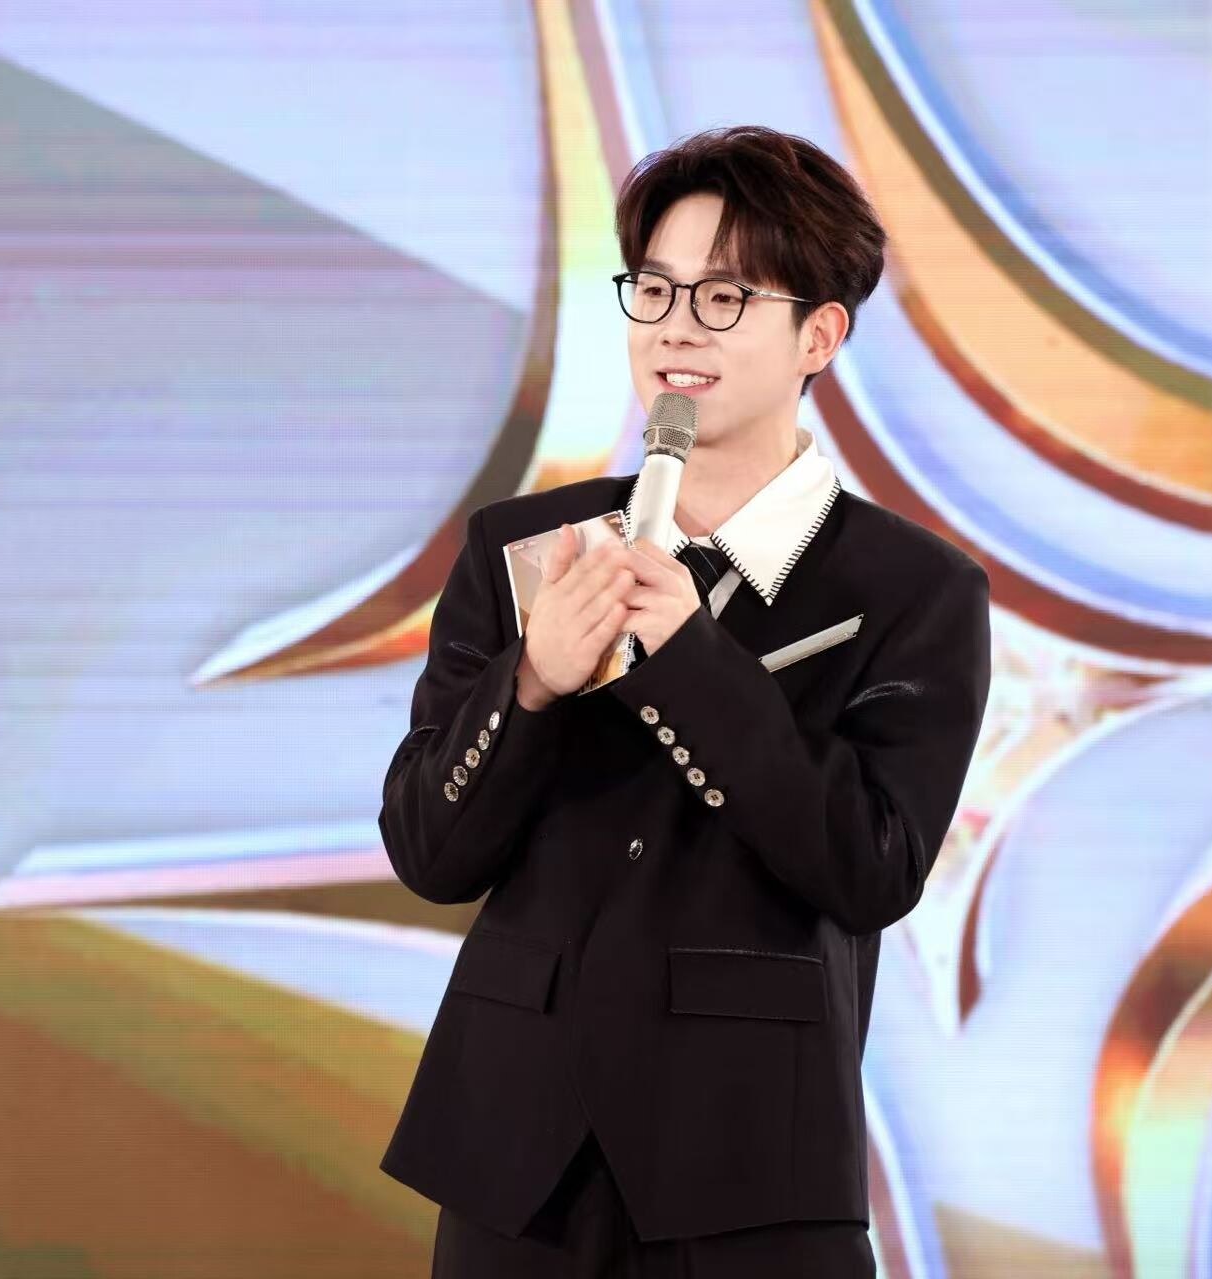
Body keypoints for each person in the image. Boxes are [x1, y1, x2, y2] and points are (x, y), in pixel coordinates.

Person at [377, 124, 992, 1277]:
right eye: (653, 289)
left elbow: (870, 868)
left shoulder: (911, 589)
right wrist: (531, 681)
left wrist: (693, 662)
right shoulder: (525, 547)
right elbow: (428, 851)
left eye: (723, 297)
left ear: (819, 334)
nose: (674, 326)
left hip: (749, 1159)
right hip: (513, 1155)